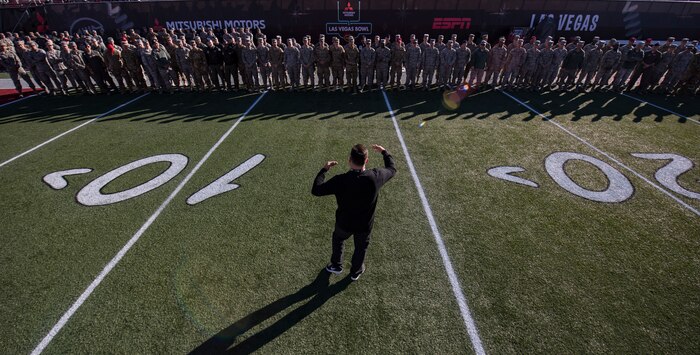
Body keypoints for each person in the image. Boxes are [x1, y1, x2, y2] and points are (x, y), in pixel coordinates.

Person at [311, 144, 396, 281]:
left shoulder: (340, 180)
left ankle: (336, 265)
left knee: (338, 239)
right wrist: (384, 152)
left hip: (344, 223)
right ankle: (356, 271)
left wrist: (324, 169)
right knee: (360, 247)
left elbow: (316, 190)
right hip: (364, 226)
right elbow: (392, 169)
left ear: (349, 160)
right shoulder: (375, 177)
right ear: (366, 160)